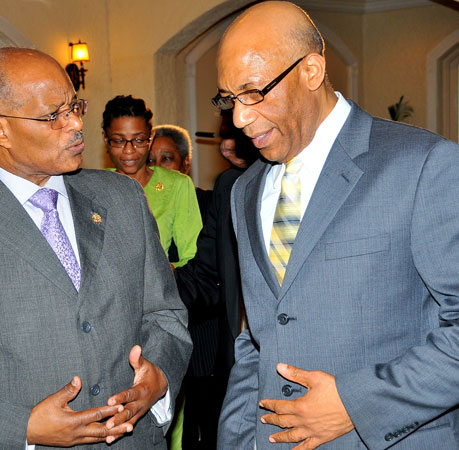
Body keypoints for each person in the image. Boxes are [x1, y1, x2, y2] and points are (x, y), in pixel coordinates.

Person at [0, 47, 192, 449]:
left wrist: (158, 379)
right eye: (52, 115)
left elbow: (164, 313)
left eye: (75, 106)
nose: (76, 124)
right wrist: (22, 428)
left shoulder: (121, 197)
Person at [215, 2, 459, 449]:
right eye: (229, 99)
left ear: (311, 71)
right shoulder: (244, 191)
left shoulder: (423, 165)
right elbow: (257, 339)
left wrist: (357, 403)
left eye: (253, 92)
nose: (239, 118)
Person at [174, 112, 257, 450]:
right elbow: (206, 278)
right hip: (237, 370)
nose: (225, 146)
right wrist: (142, 283)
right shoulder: (229, 187)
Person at [103, 96, 202, 268]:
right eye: (119, 141)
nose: (129, 151)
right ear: (106, 139)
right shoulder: (93, 186)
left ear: (151, 137)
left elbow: (193, 257)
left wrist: (161, 273)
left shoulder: (176, 185)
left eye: (139, 140)